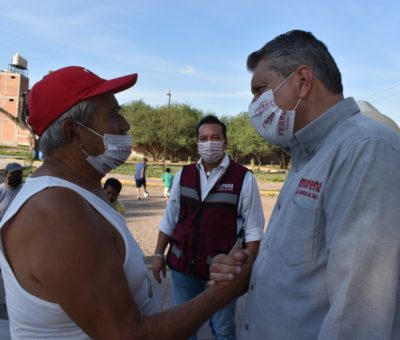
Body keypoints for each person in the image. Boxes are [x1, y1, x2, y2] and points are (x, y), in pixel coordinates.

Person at [0, 66, 251, 339]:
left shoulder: (77, 192)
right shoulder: (56, 214)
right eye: (113, 115)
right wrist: (222, 292)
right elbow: (127, 335)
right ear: (73, 133)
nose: (125, 125)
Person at [209, 30, 400, 339]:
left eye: (260, 89)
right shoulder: (310, 154)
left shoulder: (365, 149)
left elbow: (359, 315)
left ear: (302, 81)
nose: (254, 105)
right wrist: (255, 267)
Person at [152, 115, 265, 340]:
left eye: (215, 137)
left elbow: (253, 228)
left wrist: (247, 264)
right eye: (204, 138)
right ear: (197, 143)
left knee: (222, 329)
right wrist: (158, 254)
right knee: (183, 328)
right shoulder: (184, 174)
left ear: (225, 142)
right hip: (183, 268)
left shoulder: (243, 178)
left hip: (221, 273)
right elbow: (170, 218)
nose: (209, 143)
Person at [0, 162, 24, 320]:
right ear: (6, 174)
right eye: (13, 173)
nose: (16, 176)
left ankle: (9, 302)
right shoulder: (1, 190)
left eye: (19, 174)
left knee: (11, 271)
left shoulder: (23, 190)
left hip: (16, 238)